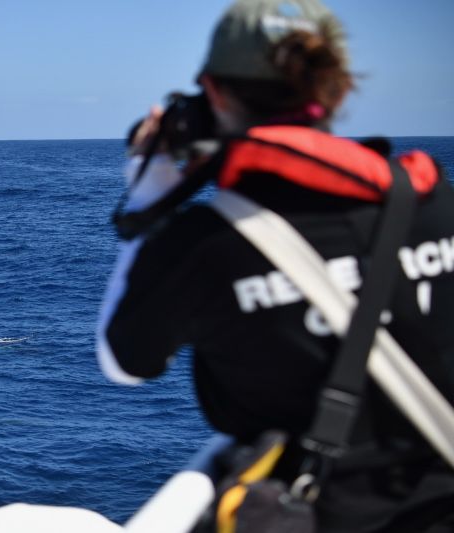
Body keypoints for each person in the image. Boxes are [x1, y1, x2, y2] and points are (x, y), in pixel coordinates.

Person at [97, 0, 454, 531]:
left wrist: (149, 190)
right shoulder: (436, 202)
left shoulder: (206, 242)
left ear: (212, 92)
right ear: (336, 90)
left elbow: (123, 362)